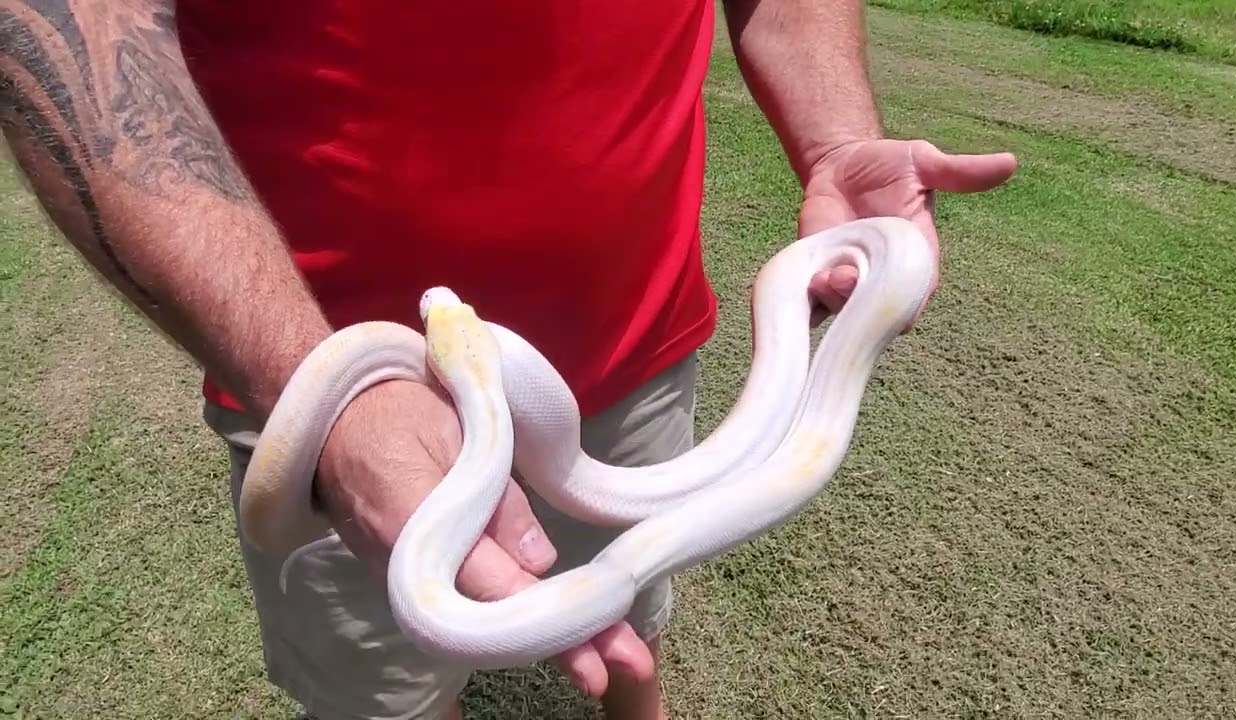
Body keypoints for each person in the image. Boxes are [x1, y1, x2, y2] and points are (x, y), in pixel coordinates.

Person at [0, 1, 1016, 718]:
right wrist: (316, 387)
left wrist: (837, 141)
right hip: (331, 407)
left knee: (627, 613)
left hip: (639, 337)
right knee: (388, 692)